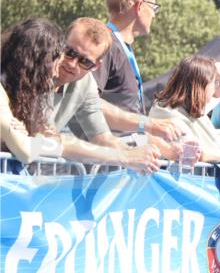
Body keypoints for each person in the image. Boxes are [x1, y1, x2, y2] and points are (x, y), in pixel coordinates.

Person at [1, 18, 159, 172]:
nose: (70, 63)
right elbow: (27, 147)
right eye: (68, 52)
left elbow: (102, 137)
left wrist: (133, 154)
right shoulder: (21, 83)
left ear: (96, 66)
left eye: (85, 61)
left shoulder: (82, 85)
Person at [149, 55, 220, 171]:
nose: (215, 88)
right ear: (201, 85)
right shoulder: (166, 111)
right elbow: (193, 152)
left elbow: (218, 95)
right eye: (213, 83)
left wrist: (219, 77)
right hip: (177, 186)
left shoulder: (192, 109)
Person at [96, 0, 158, 118]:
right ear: (140, 6)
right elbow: (88, 103)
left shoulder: (119, 45)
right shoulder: (103, 44)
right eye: (153, 7)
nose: (154, 15)